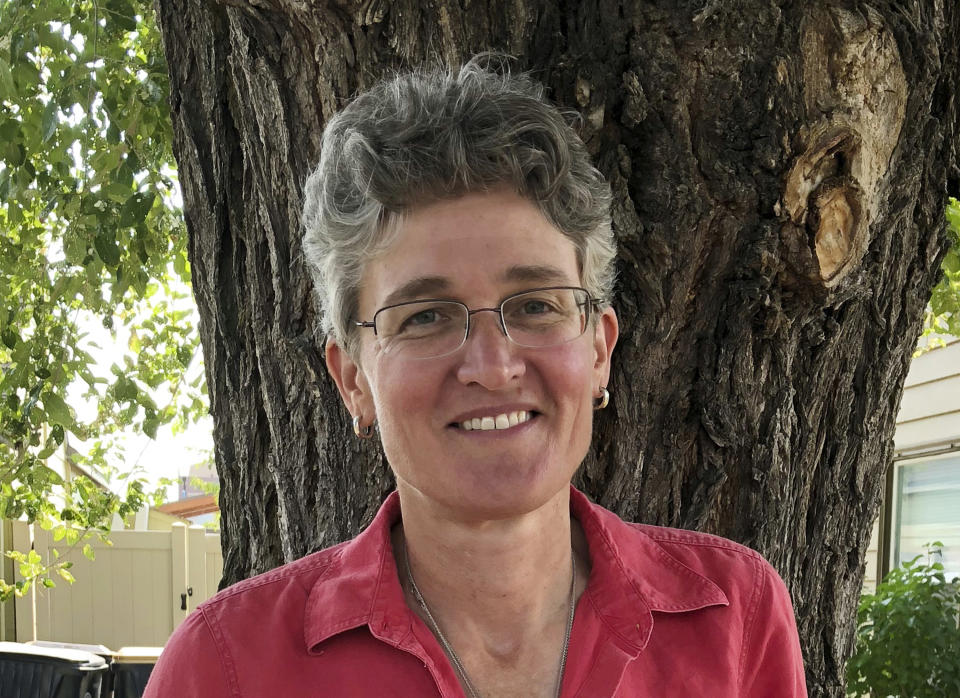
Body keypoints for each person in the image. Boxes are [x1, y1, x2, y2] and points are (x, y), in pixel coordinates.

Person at [143, 56, 806, 697]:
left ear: (599, 350)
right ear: (353, 380)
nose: (492, 367)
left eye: (537, 306)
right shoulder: (227, 667)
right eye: (426, 316)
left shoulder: (734, 620)